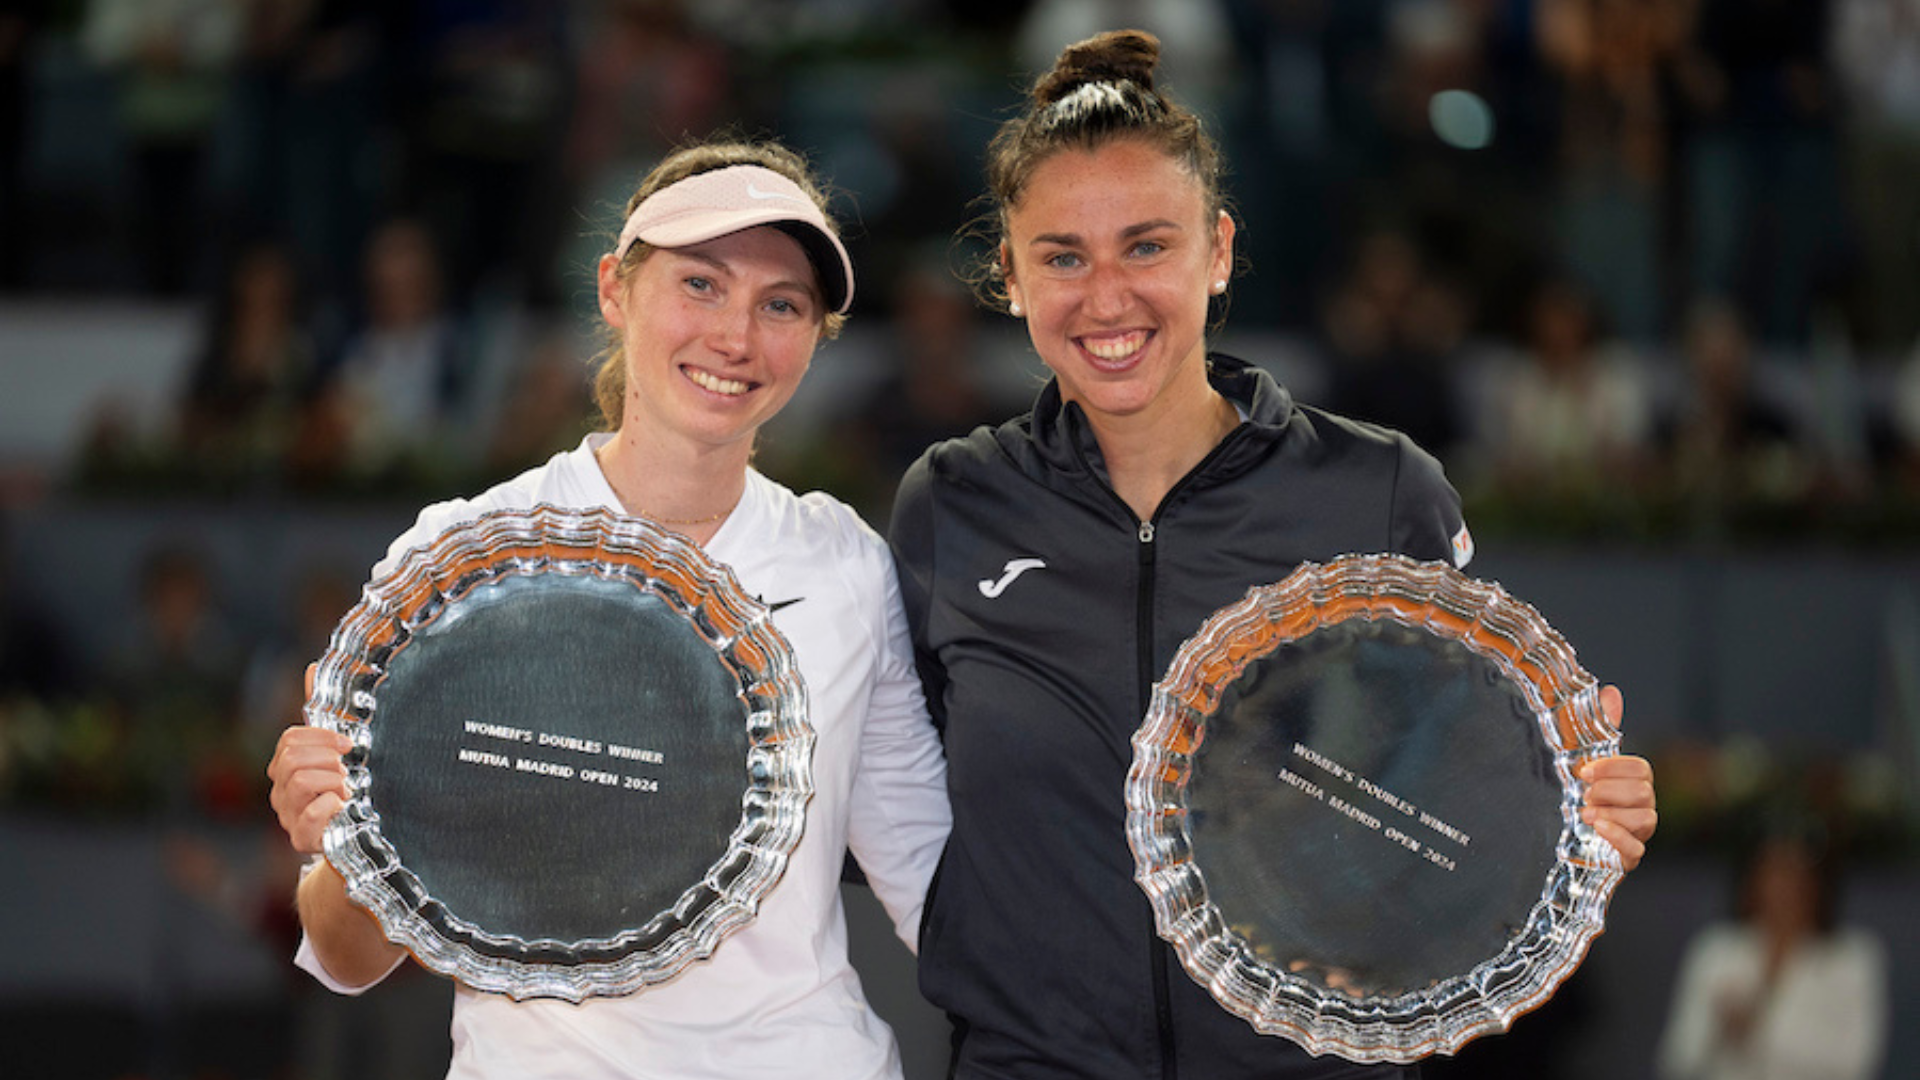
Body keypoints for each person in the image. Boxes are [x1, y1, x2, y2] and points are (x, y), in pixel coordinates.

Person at [888, 31, 1659, 1079]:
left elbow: (1462, 788)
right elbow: (892, 802)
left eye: (1147, 246)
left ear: (1220, 251)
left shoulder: (1379, 491)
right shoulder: (953, 504)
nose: (1106, 296)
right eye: (1062, 256)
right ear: (1011, 280)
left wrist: (1574, 823)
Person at [267, 138, 951, 1080]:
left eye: (780, 304)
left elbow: (934, 886)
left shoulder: (847, 566)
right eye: (700, 284)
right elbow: (350, 958)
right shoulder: (463, 558)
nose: (736, 337)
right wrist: (342, 834)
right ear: (614, 291)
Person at [1655, 828, 1888, 1080]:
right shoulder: (1716, 950)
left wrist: (1758, 1030)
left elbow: (1855, 1063)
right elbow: (1677, 1061)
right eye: (1772, 872)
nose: (1783, 886)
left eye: (1796, 873)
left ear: (1818, 884)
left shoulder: (1852, 959)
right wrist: (1720, 1029)